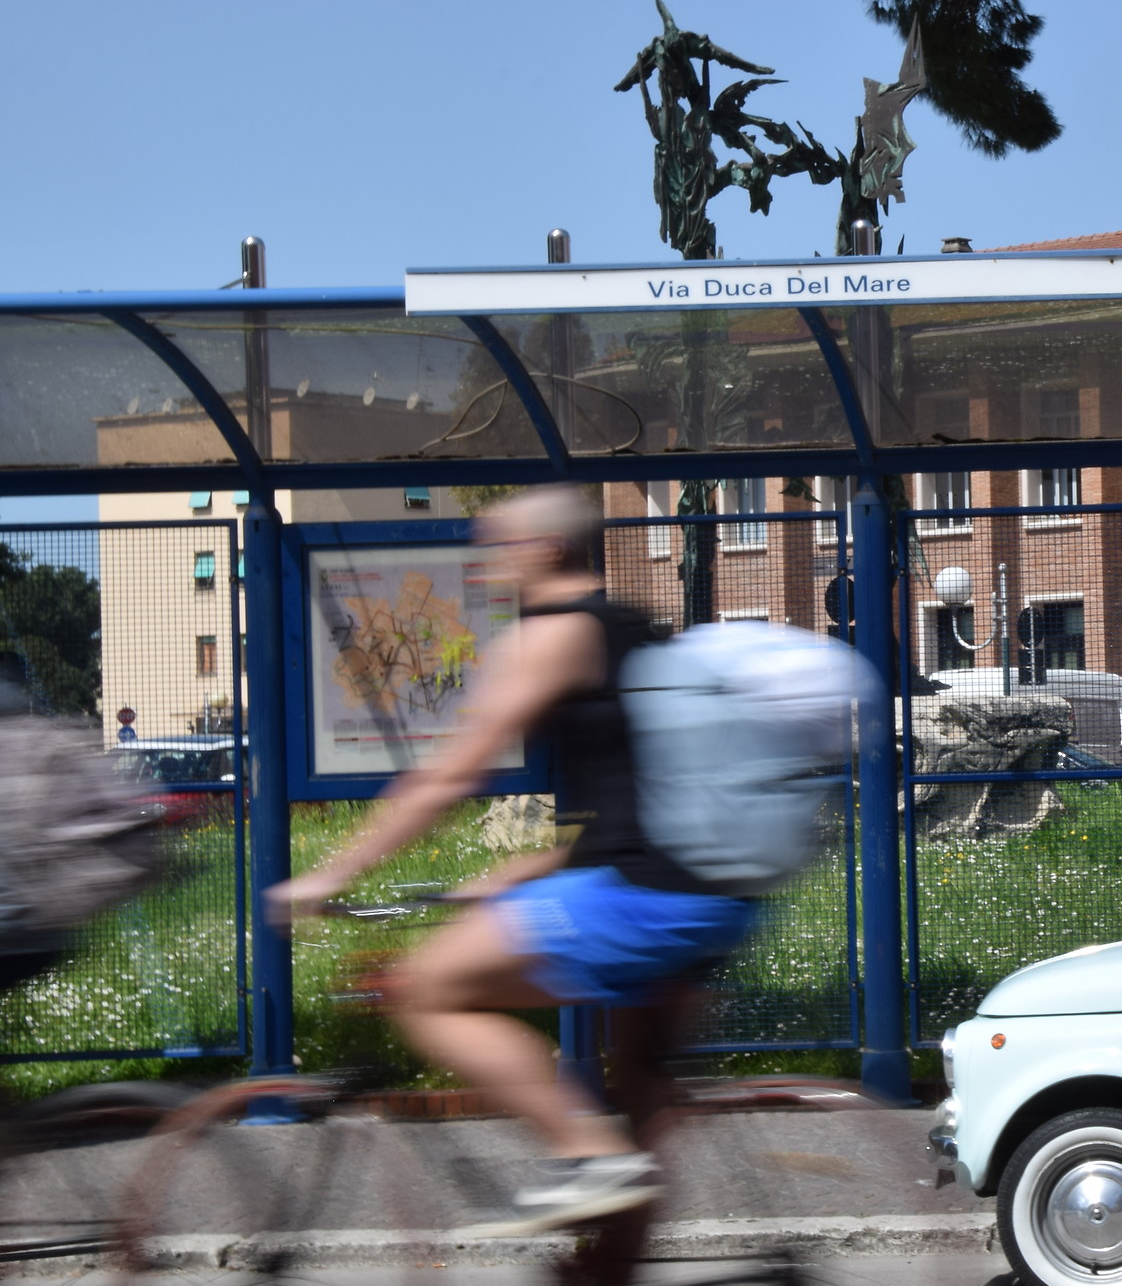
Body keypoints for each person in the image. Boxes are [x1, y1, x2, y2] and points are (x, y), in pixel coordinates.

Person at [269, 485, 758, 1236]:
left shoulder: (552, 634)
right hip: (712, 894)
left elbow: (452, 773)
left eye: (496, 545)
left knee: (429, 989)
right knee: (635, 1122)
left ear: (546, 549)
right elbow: (650, 786)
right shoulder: (639, 629)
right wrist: (537, 865)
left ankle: (588, 1156)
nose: (485, 563)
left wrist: (335, 871)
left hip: (647, 899)